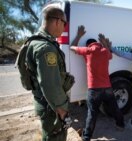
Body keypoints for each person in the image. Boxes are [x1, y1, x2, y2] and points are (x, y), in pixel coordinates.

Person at [70, 25, 125, 141]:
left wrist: (79, 35)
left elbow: (72, 47)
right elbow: (110, 55)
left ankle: (86, 137)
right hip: (107, 88)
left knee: (92, 113)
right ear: (97, 43)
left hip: (94, 89)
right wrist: (105, 43)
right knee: (114, 107)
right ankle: (120, 125)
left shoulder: (87, 51)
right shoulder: (105, 52)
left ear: (88, 45)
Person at [25, 6, 72, 141]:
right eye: (65, 23)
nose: (65, 27)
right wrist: (62, 110)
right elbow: (50, 84)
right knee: (56, 136)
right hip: (52, 107)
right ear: (57, 21)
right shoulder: (46, 48)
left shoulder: (37, 41)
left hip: (45, 103)